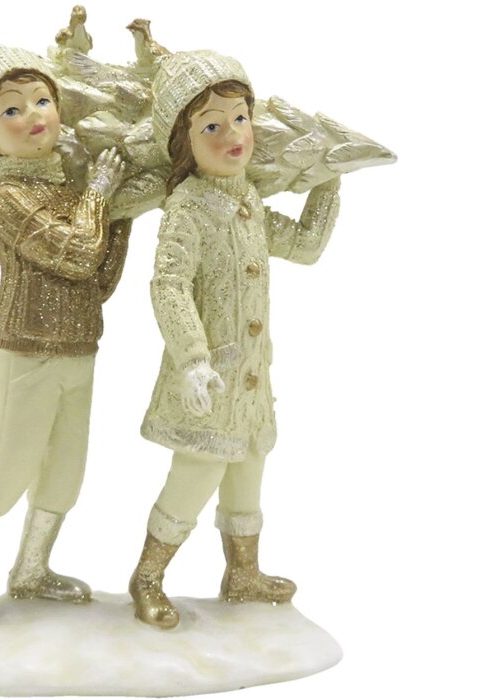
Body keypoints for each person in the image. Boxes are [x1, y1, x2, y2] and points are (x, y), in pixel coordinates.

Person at [130, 51, 341, 629]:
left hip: (250, 379)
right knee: (196, 474)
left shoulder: (248, 201)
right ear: (185, 143)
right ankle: (147, 576)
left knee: (248, 468)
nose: (233, 135)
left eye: (240, 118)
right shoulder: (187, 208)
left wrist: (328, 180)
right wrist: (193, 359)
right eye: (212, 126)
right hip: (210, 379)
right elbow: (169, 284)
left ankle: (243, 573)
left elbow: (305, 246)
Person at [0, 45, 128, 629]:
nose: (34, 115)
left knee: (67, 468)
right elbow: (79, 251)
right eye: (12, 110)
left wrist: (120, 215)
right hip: (27, 344)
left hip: (82, 343)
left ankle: (31, 568)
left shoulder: (70, 191)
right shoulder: (9, 195)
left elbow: (99, 278)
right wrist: (102, 196)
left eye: (43, 100)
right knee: (10, 467)